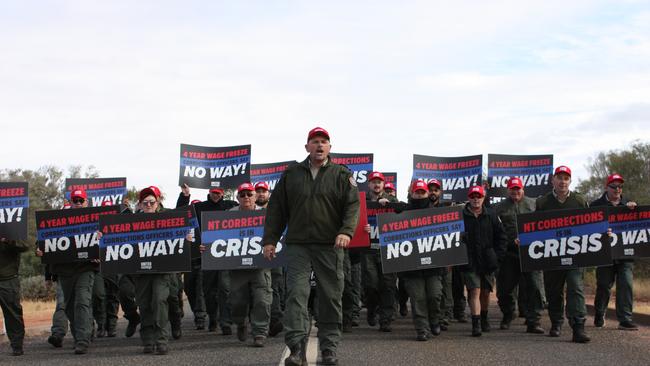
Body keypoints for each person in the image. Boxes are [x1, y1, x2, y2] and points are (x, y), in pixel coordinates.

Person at [263, 127, 360, 366]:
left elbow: (352, 206)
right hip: (298, 245)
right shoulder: (291, 174)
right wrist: (269, 240)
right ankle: (296, 349)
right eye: (315, 141)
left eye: (324, 142)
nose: (319, 145)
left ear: (329, 147)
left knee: (330, 296)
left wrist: (346, 232)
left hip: (330, 245)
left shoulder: (341, 174)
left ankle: (328, 349)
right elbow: (276, 209)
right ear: (307, 146)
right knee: (296, 294)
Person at [37, 189, 97, 354]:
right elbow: (42, 241)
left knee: (82, 302)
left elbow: (108, 240)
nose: (78, 203)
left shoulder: (95, 220)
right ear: (70, 202)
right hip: (64, 270)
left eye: (81, 200)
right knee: (69, 306)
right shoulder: (58, 220)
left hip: (86, 268)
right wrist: (40, 250)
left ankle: (83, 340)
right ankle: (79, 336)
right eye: (75, 200)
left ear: (86, 202)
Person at [536, 166, 590, 343]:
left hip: (575, 254)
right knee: (554, 291)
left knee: (576, 287)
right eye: (559, 177)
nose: (562, 181)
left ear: (570, 181)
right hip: (551, 256)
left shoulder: (580, 200)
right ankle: (556, 322)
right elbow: (534, 227)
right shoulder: (543, 202)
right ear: (553, 180)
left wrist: (604, 233)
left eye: (566, 178)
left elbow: (591, 225)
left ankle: (578, 326)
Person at [179, 185, 237, 335]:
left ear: (223, 193)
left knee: (225, 288)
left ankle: (225, 322)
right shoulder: (199, 207)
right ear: (209, 192)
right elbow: (180, 214)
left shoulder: (230, 206)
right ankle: (212, 317)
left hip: (226, 255)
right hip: (206, 255)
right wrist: (185, 196)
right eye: (213, 193)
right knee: (209, 291)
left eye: (219, 193)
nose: (216, 195)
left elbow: (247, 211)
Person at [131, 186, 181, 354]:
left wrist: (186, 237)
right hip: (141, 272)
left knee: (159, 301)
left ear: (158, 202)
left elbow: (181, 236)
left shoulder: (169, 219)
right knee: (144, 305)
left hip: (162, 272)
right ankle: (148, 339)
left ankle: (161, 339)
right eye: (145, 202)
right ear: (140, 204)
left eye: (152, 201)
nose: (148, 205)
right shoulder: (130, 223)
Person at [494, 177, 545, 334]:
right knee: (505, 288)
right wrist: (509, 242)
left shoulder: (534, 204)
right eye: (512, 189)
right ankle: (508, 314)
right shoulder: (499, 207)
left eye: (518, 189)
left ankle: (534, 321)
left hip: (531, 253)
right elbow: (496, 231)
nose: (515, 192)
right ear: (508, 190)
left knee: (534, 287)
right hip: (509, 253)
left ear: (523, 189)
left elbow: (544, 225)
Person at [227, 182, 272, 347]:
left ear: (255, 197)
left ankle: (260, 332)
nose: (246, 197)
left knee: (262, 299)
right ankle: (240, 322)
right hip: (237, 267)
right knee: (237, 301)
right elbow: (217, 236)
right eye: (242, 194)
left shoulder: (267, 214)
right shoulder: (228, 215)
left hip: (260, 265)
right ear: (238, 197)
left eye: (249, 194)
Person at [592, 173, 638, 330]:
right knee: (604, 285)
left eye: (620, 186)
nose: (617, 189)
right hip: (604, 254)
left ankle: (625, 319)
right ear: (606, 187)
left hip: (625, 254)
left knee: (625, 283)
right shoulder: (595, 205)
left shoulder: (629, 205)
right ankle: (599, 313)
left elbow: (640, 226)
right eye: (614, 186)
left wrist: (635, 211)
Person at [402, 180, 447, 341]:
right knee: (417, 297)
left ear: (428, 194)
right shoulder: (403, 212)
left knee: (435, 295)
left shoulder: (439, 212)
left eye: (423, 192)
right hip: (411, 267)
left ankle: (434, 319)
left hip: (433, 266)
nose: (420, 195)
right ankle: (422, 328)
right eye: (417, 192)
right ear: (412, 193)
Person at [461, 185, 507, 337]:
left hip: (488, 261)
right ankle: (476, 323)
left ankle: (484, 317)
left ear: (483, 198)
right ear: (469, 198)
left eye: (478, 196)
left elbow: (501, 237)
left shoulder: (492, 215)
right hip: (469, 260)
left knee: (486, 292)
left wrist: (497, 256)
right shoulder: (460, 215)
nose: (476, 199)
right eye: (473, 196)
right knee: (474, 290)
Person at [361, 171, 399, 332]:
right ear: (369, 184)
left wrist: (389, 206)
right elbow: (354, 218)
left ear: (384, 185)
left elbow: (401, 217)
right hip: (368, 249)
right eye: (373, 182)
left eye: (380, 182)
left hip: (387, 249)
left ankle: (386, 319)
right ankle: (371, 309)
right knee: (371, 285)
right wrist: (362, 227)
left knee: (388, 285)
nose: (377, 184)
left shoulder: (392, 200)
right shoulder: (362, 201)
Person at [255, 181, 285, 337]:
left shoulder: (276, 210)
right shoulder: (247, 211)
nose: (261, 193)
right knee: (261, 289)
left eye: (264, 191)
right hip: (255, 257)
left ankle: (275, 320)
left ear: (268, 194)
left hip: (275, 254)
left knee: (275, 287)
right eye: (258, 191)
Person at [0, 236, 29, 356]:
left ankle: (17, 345)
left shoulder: (12, 230)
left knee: (12, 313)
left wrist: (8, 240)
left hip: (8, 279)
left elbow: (24, 246)